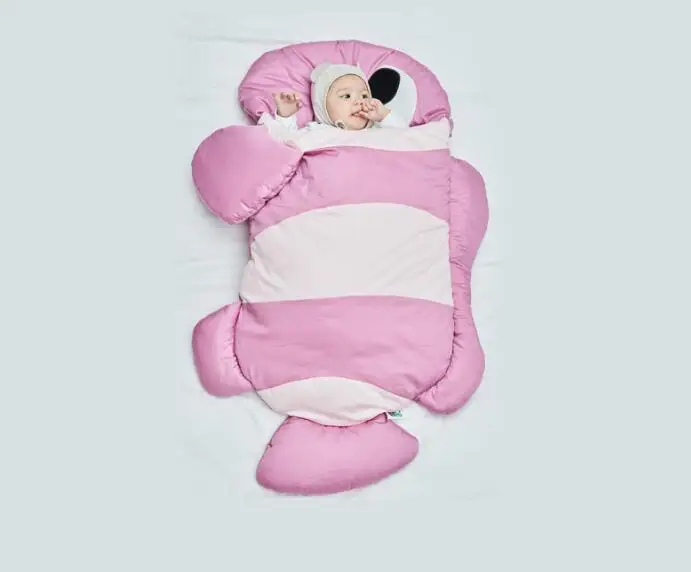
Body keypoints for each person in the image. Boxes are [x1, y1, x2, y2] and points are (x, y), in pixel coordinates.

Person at [267, 62, 408, 132]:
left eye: (365, 96)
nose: (359, 101)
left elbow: (406, 138)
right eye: (346, 96)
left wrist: (384, 116)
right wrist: (285, 117)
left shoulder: (378, 129)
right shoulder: (317, 131)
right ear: (323, 107)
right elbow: (285, 143)